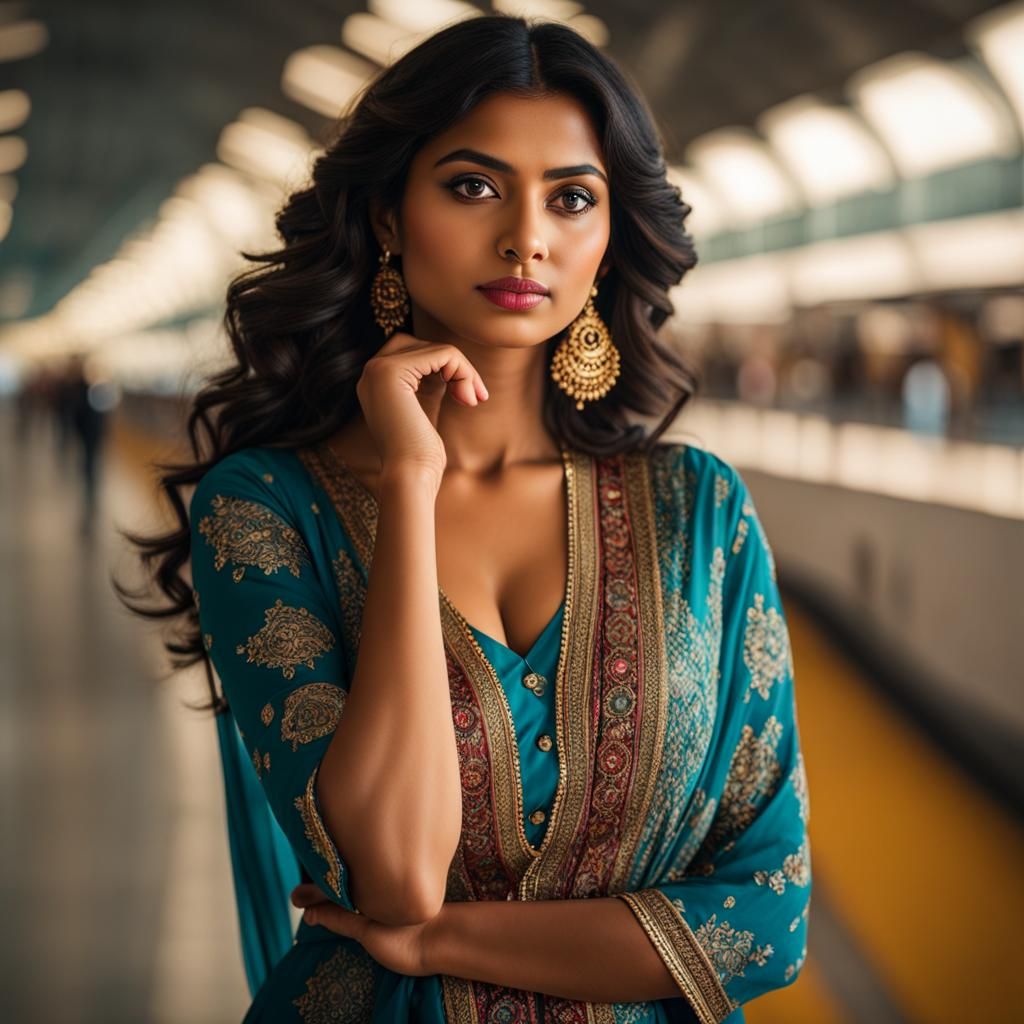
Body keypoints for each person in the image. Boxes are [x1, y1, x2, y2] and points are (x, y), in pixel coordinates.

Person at [119, 14, 810, 1023]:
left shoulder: (699, 510)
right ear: (390, 217)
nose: (525, 234)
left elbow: (770, 914)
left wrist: (439, 940)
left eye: (570, 197)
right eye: (473, 185)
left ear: (609, 235)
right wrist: (409, 477)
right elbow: (394, 875)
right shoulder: (266, 511)